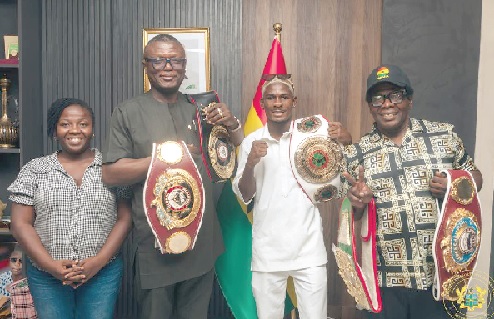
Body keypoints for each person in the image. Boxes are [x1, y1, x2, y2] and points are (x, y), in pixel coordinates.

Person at [101, 34, 243, 319]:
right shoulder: (127, 112)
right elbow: (111, 173)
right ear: (146, 65)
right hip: (156, 241)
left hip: (202, 239)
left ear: (184, 66)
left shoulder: (201, 109)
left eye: (175, 60)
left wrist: (232, 122)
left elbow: (235, 147)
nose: (168, 66)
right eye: (158, 60)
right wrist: (165, 157)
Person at [342, 64, 483, 319]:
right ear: (370, 107)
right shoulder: (356, 154)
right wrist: (357, 201)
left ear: (409, 99)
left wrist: (453, 183)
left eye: (395, 95)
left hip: (440, 277)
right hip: (384, 281)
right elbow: (352, 212)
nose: (387, 104)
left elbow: (476, 177)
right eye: (377, 98)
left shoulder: (444, 135)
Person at [232, 74, 352, 319]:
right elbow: (245, 196)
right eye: (271, 98)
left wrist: (347, 141)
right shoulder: (251, 142)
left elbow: (343, 171)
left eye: (283, 97)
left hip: (308, 249)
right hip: (267, 251)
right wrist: (251, 164)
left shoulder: (314, 137)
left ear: (293, 102)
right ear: (263, 103)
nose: (278, 103)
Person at [8, 98, 132, 319]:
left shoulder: (111, 168)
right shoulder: (35, 170)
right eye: (65, 124)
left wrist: (98, 262)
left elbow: (124, 219)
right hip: (46, 276)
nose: (75, 130)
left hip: (102, 273)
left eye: (83, 124)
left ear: (92, 129)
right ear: (55, 130)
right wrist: (51, 266)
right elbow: (20, 224)